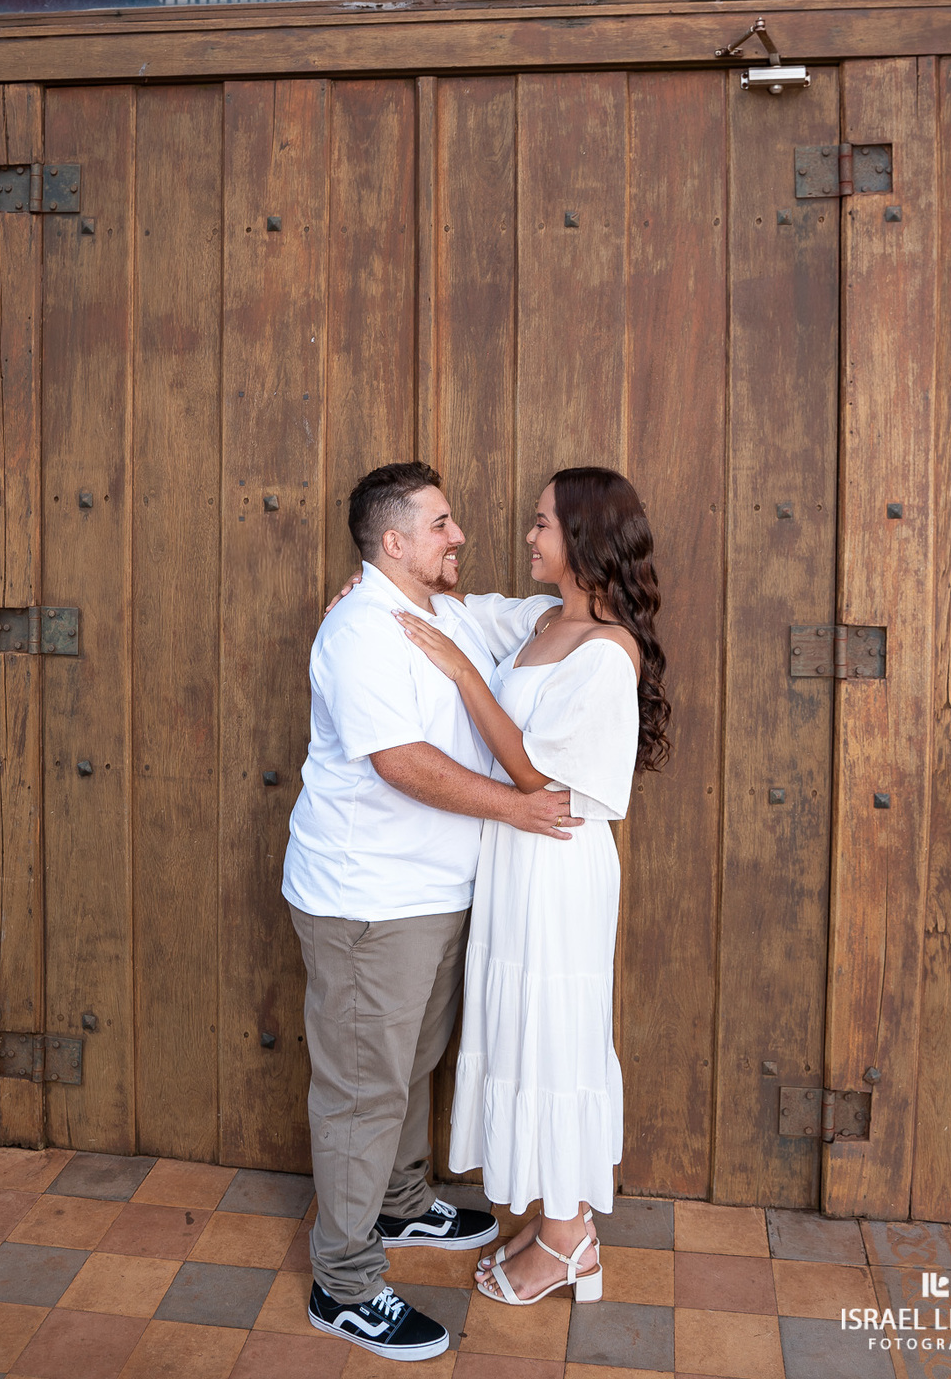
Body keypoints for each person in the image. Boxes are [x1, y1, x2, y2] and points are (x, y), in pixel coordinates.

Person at [282, 461, 583, 1361]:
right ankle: (344, 1282)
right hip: (367, 901)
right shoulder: (361, 633)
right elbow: (400, 763)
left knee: (410, 1064)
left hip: (430, 894)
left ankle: (401, 1201)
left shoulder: (445, 612)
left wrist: (590, 588)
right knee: (361, 1091)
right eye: (442, 524)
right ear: (394, 542)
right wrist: (518, 807)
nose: (460, 537)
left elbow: (548, 619)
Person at [395, 467, 669, 1307]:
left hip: (556, 862)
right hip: (517, 857)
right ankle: (555, 1217)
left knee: (556, 1037)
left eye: (542, 524)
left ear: (583, 539)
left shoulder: (608, 653)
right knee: (525, 1031)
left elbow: (536, 777)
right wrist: (370, 588)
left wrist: (465, 677)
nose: (528, 536)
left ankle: (570, 1240)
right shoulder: (544, 620)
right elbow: (461, 611)